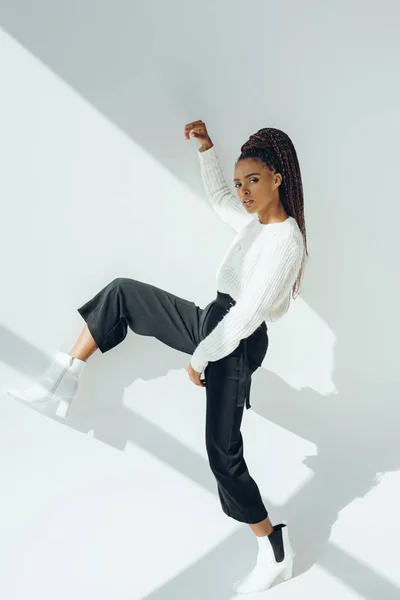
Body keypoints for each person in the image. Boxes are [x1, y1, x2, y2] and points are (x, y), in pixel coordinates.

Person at [7, 119, 308, 594]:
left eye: (253, 180)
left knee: (222, 455)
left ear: (278, 178)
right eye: (239, 181)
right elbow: (219, 203)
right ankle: (62, 377)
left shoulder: (286, 241)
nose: (243, 192)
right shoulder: (252, 224)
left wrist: (200, 359)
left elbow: (247, 317)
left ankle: (274, 547)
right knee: (124, 292)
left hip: (236, 338)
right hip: (215, 321)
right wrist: (207, 150)